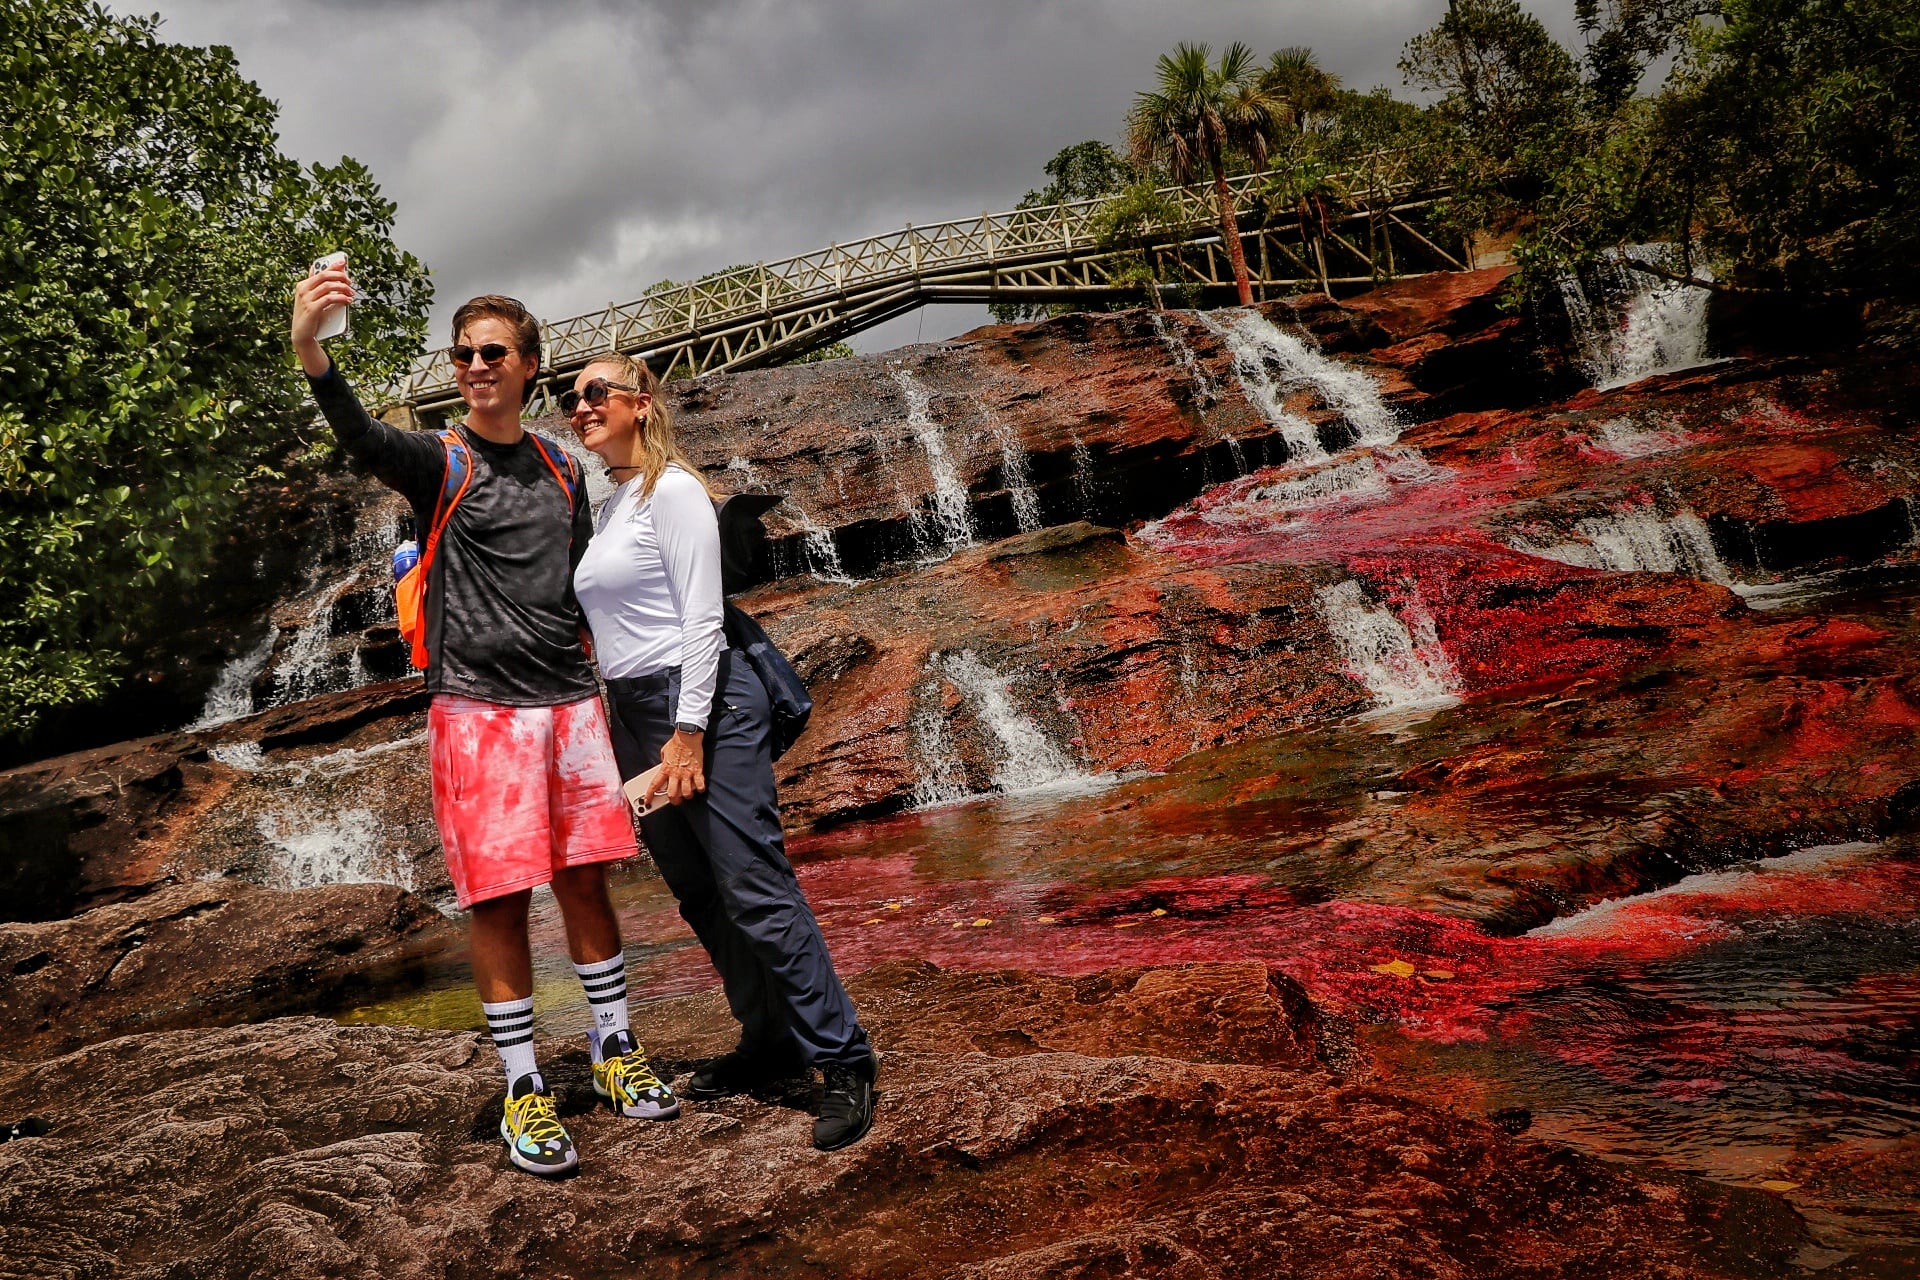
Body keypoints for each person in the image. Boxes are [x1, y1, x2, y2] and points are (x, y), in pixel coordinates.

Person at [290, 266, 678, 1180]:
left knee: (585, 884)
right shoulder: (440, 462)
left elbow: (585, 586)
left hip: (570, 706)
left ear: (529, 364)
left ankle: (614, 1047)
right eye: (462, 354)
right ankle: (522, 1087)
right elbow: (359, 437)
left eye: (492, 351)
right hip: (478, 715)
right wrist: (311, 347)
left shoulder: (561, 467)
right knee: (499, 901)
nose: (474, 365)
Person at [565, 351, 878, 1151]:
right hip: (633, 708)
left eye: (596, 393)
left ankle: (843, 1058)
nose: (580, 407)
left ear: (640, 402)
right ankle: (768, 1037)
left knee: (754, 884)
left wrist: (688, 733)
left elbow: (703, 618)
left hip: (701, 703)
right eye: (571, 398)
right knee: (699, 890)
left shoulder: (672, 491)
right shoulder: (609, 507)